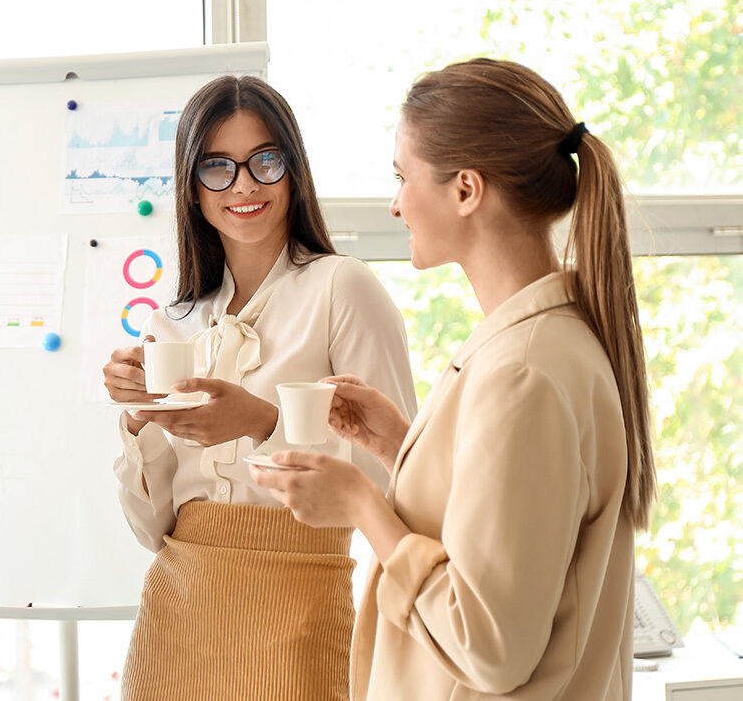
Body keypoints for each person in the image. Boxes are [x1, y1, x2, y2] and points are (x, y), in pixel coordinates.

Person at [252, 57, 656, 700]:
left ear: (466, 189)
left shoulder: (523, 369)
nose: (394, 204)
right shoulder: (542, 343)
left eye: (402, 176)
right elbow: (510, 534)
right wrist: (399, 446)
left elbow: (489, 646)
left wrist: (364, 505)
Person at [102, 75, 416, 699]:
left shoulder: (341, 288)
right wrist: (139, 423)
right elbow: (151, 526)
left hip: (299, 600)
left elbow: (398, 481)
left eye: (264, 161)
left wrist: (260, 423)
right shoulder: (175, 324)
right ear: (192, 189)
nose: (243, 185)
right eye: (217, 167)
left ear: (294, 171)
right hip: (176, 609)